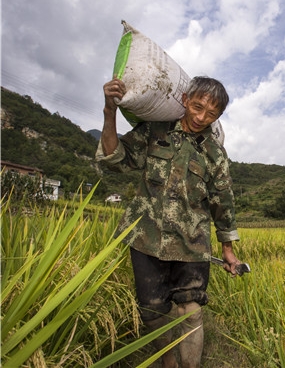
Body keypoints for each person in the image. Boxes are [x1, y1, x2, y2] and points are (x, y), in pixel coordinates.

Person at [96, 76, 242, 368]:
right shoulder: (154, 130)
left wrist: (228, 250)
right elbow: (115, 158)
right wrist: (109, 111)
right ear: (185, 100)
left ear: (218, 117)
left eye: (211, 114)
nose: (201, 117)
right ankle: (168, 361)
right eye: (197, 107)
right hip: (146, 238)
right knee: (152, 311)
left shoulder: (215, 154)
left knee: (191, 310)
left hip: (192, 242)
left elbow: (223, 202)